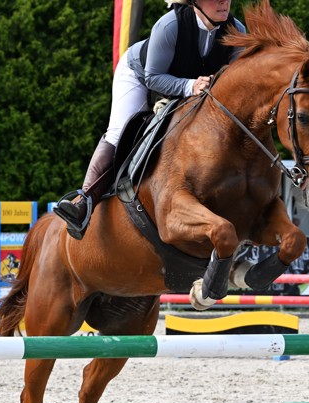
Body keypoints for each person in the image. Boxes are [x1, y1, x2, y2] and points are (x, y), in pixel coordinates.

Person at [55, 0, 246, 240]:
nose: (224, 2)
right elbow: (153, 77)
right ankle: (83, 201)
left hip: (193, 91)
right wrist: (190, 85)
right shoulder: (170, 25)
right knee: (119, 132)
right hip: (139, 74)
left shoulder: (237, 29)